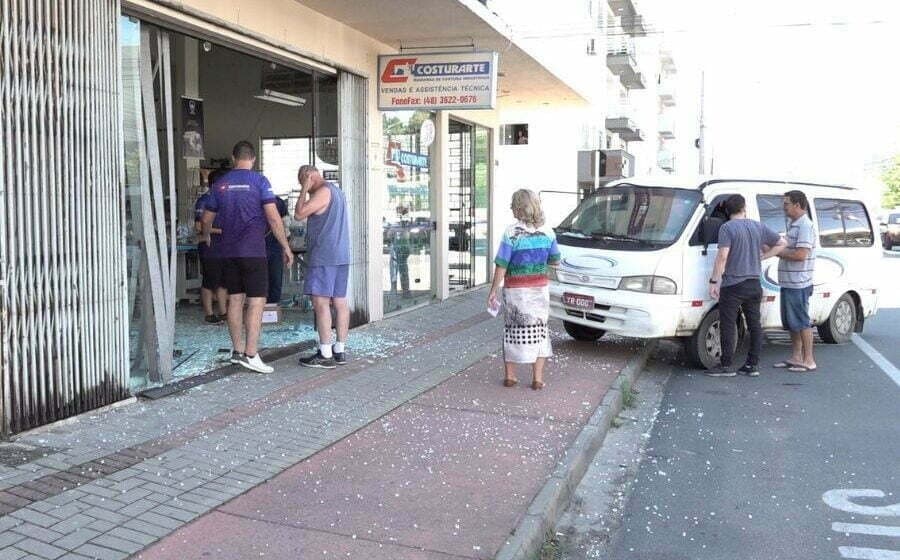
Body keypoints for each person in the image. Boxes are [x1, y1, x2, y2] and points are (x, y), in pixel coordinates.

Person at [201, 141, 293, 374]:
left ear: (234, 158)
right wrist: (285, 246)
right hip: (253, 252)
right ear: (253, 159)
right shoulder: (260, 182)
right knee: (256, 301)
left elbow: (206, 218)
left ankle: (238, 351)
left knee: (235, 299)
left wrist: (207, 235)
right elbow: (273, 218)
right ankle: (251, 354)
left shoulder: (220, 184)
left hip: (228, 252)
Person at [488, 189, 560, 390]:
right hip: (539, 292)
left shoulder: (511, 233)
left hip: (516, 292)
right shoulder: (548, 232)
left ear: (520, 208)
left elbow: (501, 265)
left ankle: (510, 376)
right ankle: (537, 379)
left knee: (513, 331)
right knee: (539, 331)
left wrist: (493, 290)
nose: (511, 208)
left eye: (513, 205)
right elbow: (555, 260)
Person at [707, 194, 785, 377]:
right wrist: (764, 256)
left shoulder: (727, 228)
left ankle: (726, 365)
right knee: (754, 325)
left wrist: (714, 281)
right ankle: (752, 365)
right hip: (754, 284)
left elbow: (722, 256)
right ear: (744, 208)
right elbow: (782, 243)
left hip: (733, 285)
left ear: (727, 211)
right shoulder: (758, 226)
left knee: (728, 324)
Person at [294, 165, 351, 369]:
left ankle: (325, 353)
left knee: (321, 303)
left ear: (308, 176)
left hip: (325, 255)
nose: (305, 189)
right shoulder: (337, 192)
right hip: (341, 254)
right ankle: (339, 349)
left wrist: (304, 188)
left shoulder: (323, 192)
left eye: (303, 182)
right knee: (340, 302)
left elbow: (299, 214)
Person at [774, 190, 818, 373]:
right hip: (789, 282)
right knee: (792, 323)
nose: (783, 207)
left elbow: (800, 255)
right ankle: (796, 357)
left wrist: (778, 252)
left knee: (801, 321)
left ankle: (809, 360)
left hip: (798, 283)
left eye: (786, 203)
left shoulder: (805, 226)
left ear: (797, 205)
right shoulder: (794, 224)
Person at [195, 169, 228, 323]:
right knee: (209, 280)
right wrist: (221, 230)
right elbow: (198, 226)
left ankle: (223, 312)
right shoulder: (204, 201)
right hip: (209, 246)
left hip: (225, 247)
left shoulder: (226, 200)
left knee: (223, 281)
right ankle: (209, 313)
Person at [265, 196, 289, 305]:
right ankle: (271, 308)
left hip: (268, 247)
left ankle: (270, 309)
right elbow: (286, 226)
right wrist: (286, 248)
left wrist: (285, 248)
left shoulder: (250, 199)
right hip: (272, 247)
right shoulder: (278, 202)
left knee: (264, 283)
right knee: (274, 281)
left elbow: (286, 225)